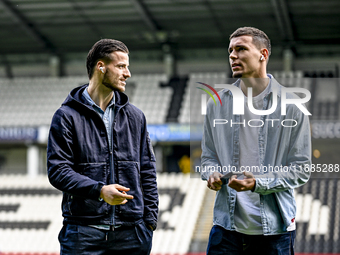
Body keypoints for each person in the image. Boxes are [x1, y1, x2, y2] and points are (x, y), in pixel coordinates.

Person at [201, 27, 311, 254]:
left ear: (263, 54)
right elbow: (208, 157)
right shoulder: (216, 104)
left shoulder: (292, 106)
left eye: (241, 49)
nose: (233, 55)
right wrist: (210, 173)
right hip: (225, 229)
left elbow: (301, 169)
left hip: (275, 232)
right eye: (230, 50)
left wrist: (257, 183)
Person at [47, 39, 158, 255]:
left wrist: (149, 222)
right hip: (83, 236)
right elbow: (58, 171)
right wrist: (99, 191)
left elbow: (147, 170)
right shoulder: (66, 116)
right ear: (101, 67)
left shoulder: (136, 117)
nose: (128, 73)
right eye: (121, 66)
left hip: (133, 236)